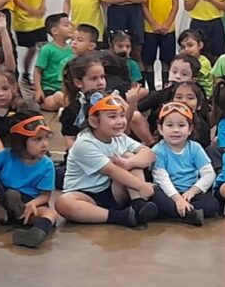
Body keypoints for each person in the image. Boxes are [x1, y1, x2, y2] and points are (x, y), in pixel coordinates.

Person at [56, 93, 158, 227]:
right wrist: (141, 186)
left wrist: (129, 163)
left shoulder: (120, 137)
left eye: (122, 115)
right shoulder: (85, 143)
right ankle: (122, 217)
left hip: (111, 191)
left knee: (129, 156)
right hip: (85, 195)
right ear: (94, 121)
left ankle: (138, 203)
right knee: (64, 203)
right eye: (112, 117)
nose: (120, 121)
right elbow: (111, 171)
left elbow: (149, 153)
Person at [0, 111, 58, 248]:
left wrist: (33, 204)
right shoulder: (7, 155)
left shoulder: (47, 164)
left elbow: (45, 196)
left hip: (30, 203)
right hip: (3, 201)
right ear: (20, 142)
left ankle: (35, 233)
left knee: (50, 213)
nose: (45, 144)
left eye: (46, 138)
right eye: (37, 139)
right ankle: (12, 211)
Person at [151, 102, 218, 225]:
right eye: (169, 125)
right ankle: (188, 214)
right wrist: (177, 198)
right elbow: (161, 179)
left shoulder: (195, 148)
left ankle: (178, 213)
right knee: (154, 195)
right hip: (168, 194)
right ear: (160, 129)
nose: (175, 130)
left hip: (190, 193)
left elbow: (209, 174)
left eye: (181, 125)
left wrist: (192, 191)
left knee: (212, 204)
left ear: (190, 129)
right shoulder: (158, 150)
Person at [130, 54, 202, 145]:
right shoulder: (162, 94)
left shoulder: (198, 92)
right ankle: (152, 145)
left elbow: (203, 118)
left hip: (187, 135)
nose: (177, 76)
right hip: (158, 134)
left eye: (184, 74)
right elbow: (139, 108)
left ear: (193, 79)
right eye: (174, 72)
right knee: (134, 115)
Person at [142, 0, 180, 91]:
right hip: (149, 29)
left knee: (167, 61)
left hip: (168, 29)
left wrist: (167, 24)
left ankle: (166, 89)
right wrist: (153, 23)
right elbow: (143, 4)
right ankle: (151, 90)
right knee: (148, 61)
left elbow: (175, 5)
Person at [59, 52, 107, 149]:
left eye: (102, 77)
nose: (101, 82)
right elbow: (70, 140)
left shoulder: (109, 102)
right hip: (82, 154)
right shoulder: (73, 110)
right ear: (78, 82)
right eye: (94, 78)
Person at [34, 13, 74, 111]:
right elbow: (38, 71)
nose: (71, 27)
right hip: (50, 89)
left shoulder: (72, 49)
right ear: (55, 31)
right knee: (54, 100)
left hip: (67, 88)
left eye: (70, 25)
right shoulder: (46, 49)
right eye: (66, 25)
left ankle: (66, 106)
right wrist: (38, 90)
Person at [170, 81, 212, 148]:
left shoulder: (203, 127)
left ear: (199, 105)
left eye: (190, 98)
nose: (184, 101)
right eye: (179, 97)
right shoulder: (165, 120)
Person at [177, 29, 213, 98]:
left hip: (204, 95)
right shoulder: (185, 61)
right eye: (183, 47)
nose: (186, 49)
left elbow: (190, 77)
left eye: (190, 45)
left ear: (200, 45)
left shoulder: (204, 62)